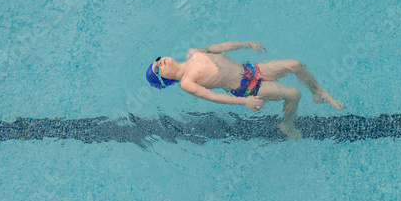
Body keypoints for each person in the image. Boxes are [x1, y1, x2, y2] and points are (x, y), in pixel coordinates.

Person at [146, 41, 343, 140]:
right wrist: (244, 102)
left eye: (156, 60)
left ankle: (318, 92)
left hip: (251, 69)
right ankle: (287, 125)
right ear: (164, 78)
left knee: (295, 64)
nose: (159, 62)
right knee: (294, 94)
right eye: (157, 68)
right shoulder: (187, 82)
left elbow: (222, 46)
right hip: (248, 88)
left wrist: (248, 44)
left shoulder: (193, 52)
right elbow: (214, 97)